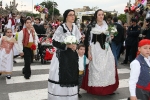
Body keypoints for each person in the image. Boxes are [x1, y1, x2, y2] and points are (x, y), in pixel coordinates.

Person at [82, 9, 119, 95]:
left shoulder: (108, 26)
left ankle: (108, 89)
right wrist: (88, 52)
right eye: (99, 15)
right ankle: (95, 89)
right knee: (96, 69)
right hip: (95, 50)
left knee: (108, 68)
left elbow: (108, 40)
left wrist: (111, 37)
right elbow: (89, 41)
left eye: (102, 15)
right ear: (96, 16)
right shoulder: (91, 26)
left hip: (106, 50)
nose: (101, 16)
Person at [48, 9, 81, 100]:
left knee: (72, 75)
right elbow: (54, 42)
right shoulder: (61, 27)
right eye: (70, 15)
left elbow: (79, 40)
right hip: (62, 56)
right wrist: (67, 46)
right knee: (62, 75)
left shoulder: (75, 27)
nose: (72, 16)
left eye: (73, 15)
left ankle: (71, 96)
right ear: (66, 16)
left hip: (72, 56)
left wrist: (76, 46)